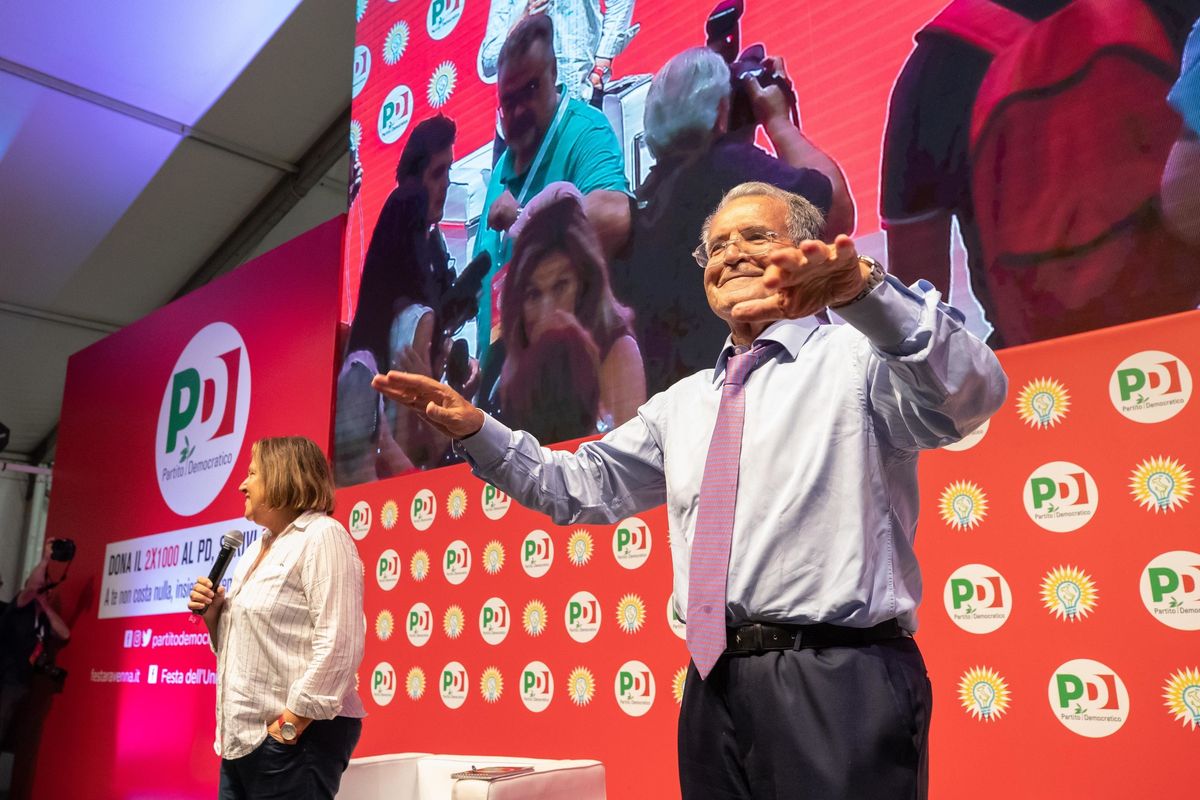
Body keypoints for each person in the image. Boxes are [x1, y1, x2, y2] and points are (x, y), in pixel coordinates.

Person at [374, 181, 1007, 799]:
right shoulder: (684, 404)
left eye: (756, 236)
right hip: (714, 685)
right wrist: (476, 429)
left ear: (809, 252)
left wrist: (866, 294)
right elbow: (576, 485)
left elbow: (973, 394)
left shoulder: (859, 356)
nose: (732, 252)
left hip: (840, 680)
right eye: (718, 245)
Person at [881, 0, 1200, 347]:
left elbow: (914, 316)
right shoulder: (1177, 11)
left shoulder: (934, 68)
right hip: (1181, 351)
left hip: (1038, 380)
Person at [616, 47, 852, 395]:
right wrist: (777, 119)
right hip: (767, 393)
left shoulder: (647, 204)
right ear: (721, 113)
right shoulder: (729, 166)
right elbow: (835, 215)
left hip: (692, 405)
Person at [189, 437, 365, 800]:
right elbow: (241, 647)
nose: (242, 484)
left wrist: (289, 726)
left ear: (283, 476)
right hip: (243, 741)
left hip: (295, 740)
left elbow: (340, 644)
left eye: (252, 473)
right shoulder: (255, 549)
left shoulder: (323, 536)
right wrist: (214, 615)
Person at [473, 13, 631, 372]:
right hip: (509, 379)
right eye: (507, 100)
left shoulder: (585, 130)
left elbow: (615, 216)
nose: (518, 110)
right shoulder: (502, 168)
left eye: (530, 90)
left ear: (554, 74)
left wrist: (523, 217)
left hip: (570, 375)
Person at [493, 188, 645, 440]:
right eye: (534, 294)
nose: (547, 311)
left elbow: (624, 467)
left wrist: (587, 366)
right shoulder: (513, 360)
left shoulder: (619, 351)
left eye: (561, 286)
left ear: (586, 285)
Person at [478, 0, 637, 101]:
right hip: (522, 122)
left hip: (580, 100)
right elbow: (490, 60)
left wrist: (602, 63)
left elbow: (620, 3)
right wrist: (523, 21)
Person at [0, 540, 71, 745]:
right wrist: (45, 560)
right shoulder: (20, 607)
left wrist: (46, 607)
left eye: (48, 589)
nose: (45, 590)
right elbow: (33, 586)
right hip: (6, 678)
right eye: (43, 587)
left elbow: (65, 633)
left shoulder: (44, 620)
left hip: (18, 684)